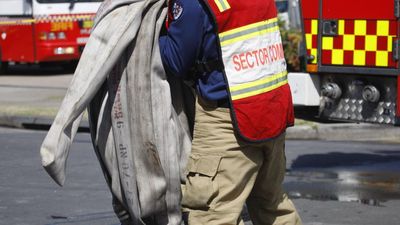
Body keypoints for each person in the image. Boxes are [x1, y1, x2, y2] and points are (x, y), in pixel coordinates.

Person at [159, 0, 303, 224]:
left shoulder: (193, 3)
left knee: (212, 215)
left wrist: (155, 33)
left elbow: (176, 59)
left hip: (228, 123)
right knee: (272, 206)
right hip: (273, 112)